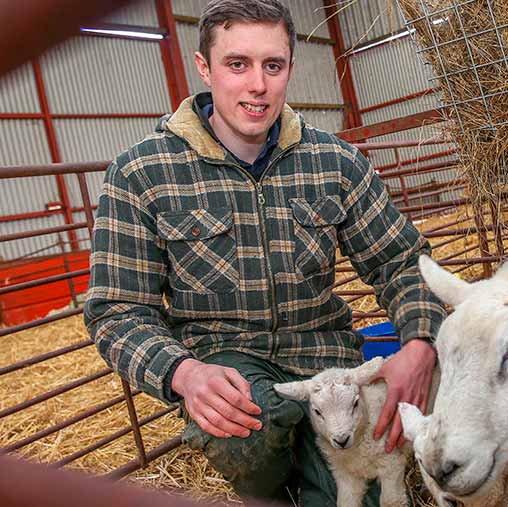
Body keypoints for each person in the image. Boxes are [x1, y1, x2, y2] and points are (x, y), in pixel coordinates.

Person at [83, 1, 445, 505]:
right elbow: (117, 309)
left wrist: (419, 341)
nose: (258, 85)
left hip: (324, 367)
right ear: (204, 68)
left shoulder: (334, 162)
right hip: (229, 370)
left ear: (289, 70)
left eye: (272, 66)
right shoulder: (142, 173)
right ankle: (272, 487)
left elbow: (401, 263)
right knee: (252, 426)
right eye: (238, 64)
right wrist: (183, 373)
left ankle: (312, 477)